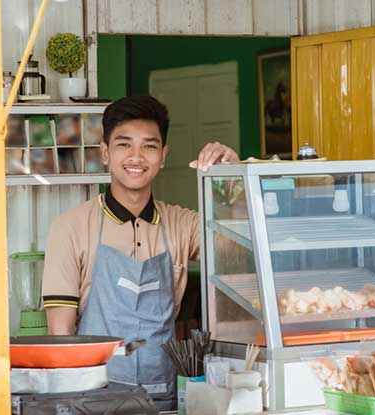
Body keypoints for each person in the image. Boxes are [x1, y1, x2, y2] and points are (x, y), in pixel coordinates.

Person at [41, 95, 238, 410]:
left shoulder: (182, 224)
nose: (136, 157)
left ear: (163, 155)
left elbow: (237, 249)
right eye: (124, 145)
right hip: (93, 399)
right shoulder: (70, 228)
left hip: (163, 396)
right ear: (105, 153)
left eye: (149, 146)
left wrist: (231, 179)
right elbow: (60, 333)